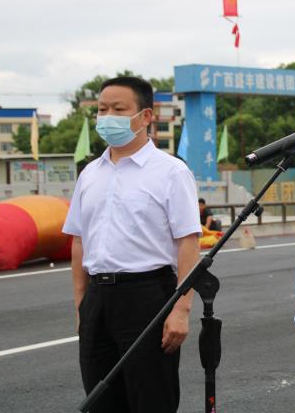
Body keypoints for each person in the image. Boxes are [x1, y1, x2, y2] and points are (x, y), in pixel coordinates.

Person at [63, 76, 202, 413]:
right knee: (100, 401)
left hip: (148, 296)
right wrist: (82, 305)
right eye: (102, 109)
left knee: (151, 399)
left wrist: (181, 310)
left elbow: (188, 243)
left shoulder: (171, 172)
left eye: (119, 109)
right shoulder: (90, 174)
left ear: (146, 116)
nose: (107, 117)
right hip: (98, 298)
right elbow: (79, 241)